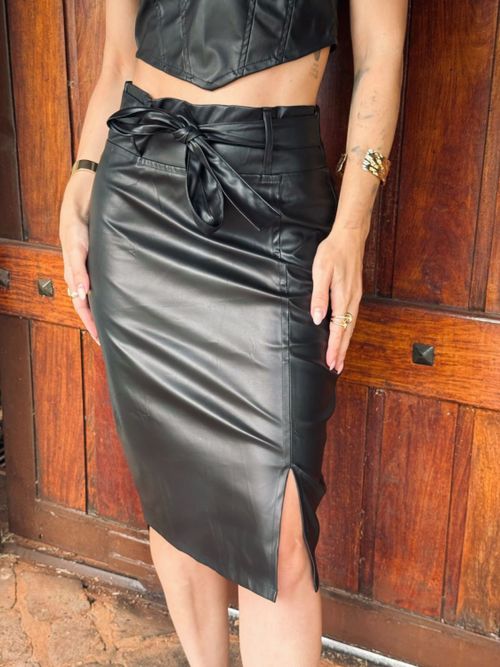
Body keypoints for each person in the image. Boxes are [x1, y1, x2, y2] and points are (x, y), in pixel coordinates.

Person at [59, 1, 408, 665]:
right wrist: (82, 178)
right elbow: (118, 59)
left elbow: (381, 57)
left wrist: (351, 229)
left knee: (279, 537)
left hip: (274, 202)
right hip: (137, 196)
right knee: (175, 499)